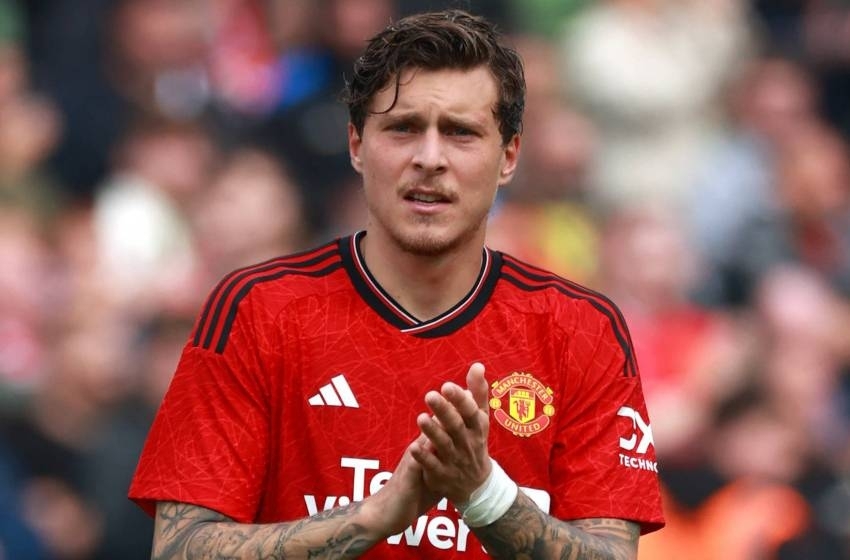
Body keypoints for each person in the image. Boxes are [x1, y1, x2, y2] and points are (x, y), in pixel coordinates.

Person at [128, 9, 664, 559]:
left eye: (460, 133)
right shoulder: (259, 310)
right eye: (403, 127)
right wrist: (371, 517)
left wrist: (484, 495)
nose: (429, 159)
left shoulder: (581, 329)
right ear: (357, 145)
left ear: (508, 157)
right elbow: (178, 549)